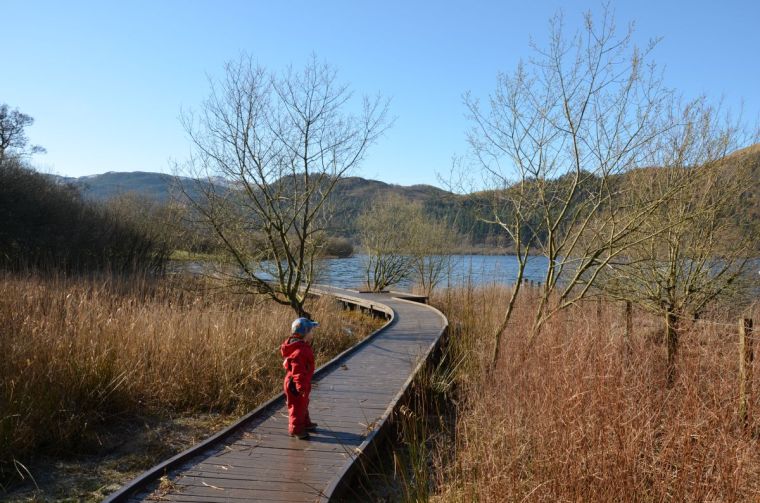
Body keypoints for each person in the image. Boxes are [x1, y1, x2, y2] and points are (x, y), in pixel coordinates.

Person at [281, 317, 319, 439]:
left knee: (303, 403)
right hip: (296, 384)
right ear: (305, 334)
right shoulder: (300, 351)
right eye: (311, 331)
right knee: (297, 407)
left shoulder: (301, 346)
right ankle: (296, 429)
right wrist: (301, 387)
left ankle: (305, 423)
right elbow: (298, 371)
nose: (313, 334)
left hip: (300, 381)